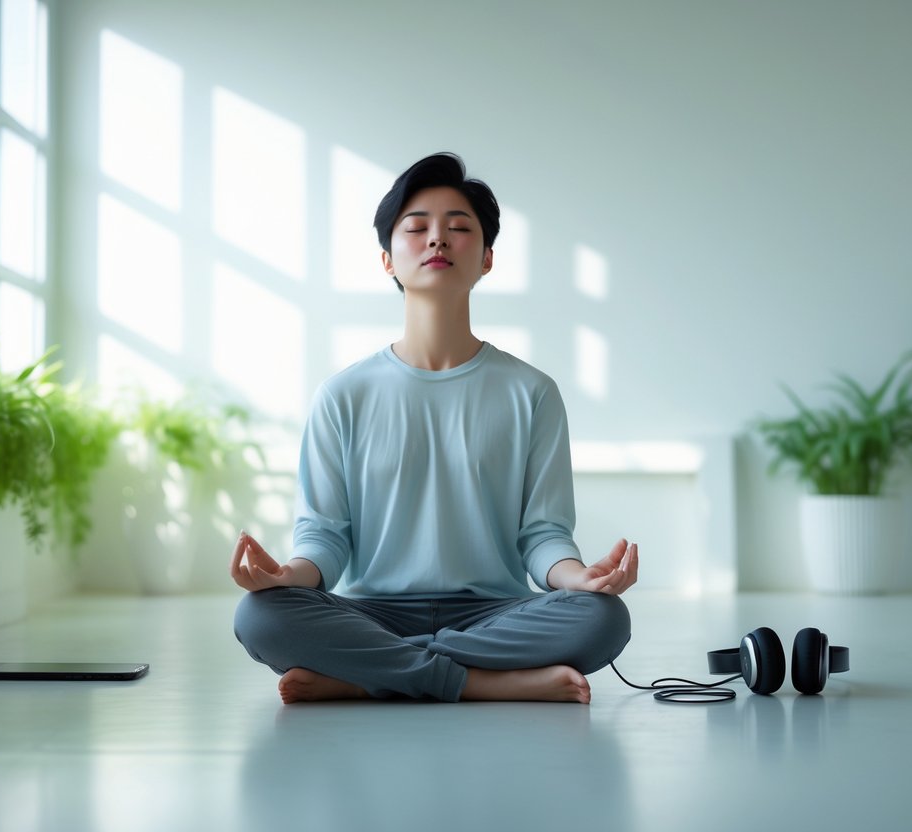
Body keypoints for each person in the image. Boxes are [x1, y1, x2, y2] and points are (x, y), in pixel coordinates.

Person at [231, 152, 636, 704]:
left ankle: (363, 677)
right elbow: (325, 538)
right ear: (387, 260)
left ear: (488, 258)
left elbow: (542, 535)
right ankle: (485, 684)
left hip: (495, 611)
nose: (437, 240)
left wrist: (578, 579)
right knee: (259, 615)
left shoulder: (531, 392)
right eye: (417, 228)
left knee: (602, 618)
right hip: (372, 611)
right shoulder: (342, 395)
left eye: (459, 228)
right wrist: (286, 578)